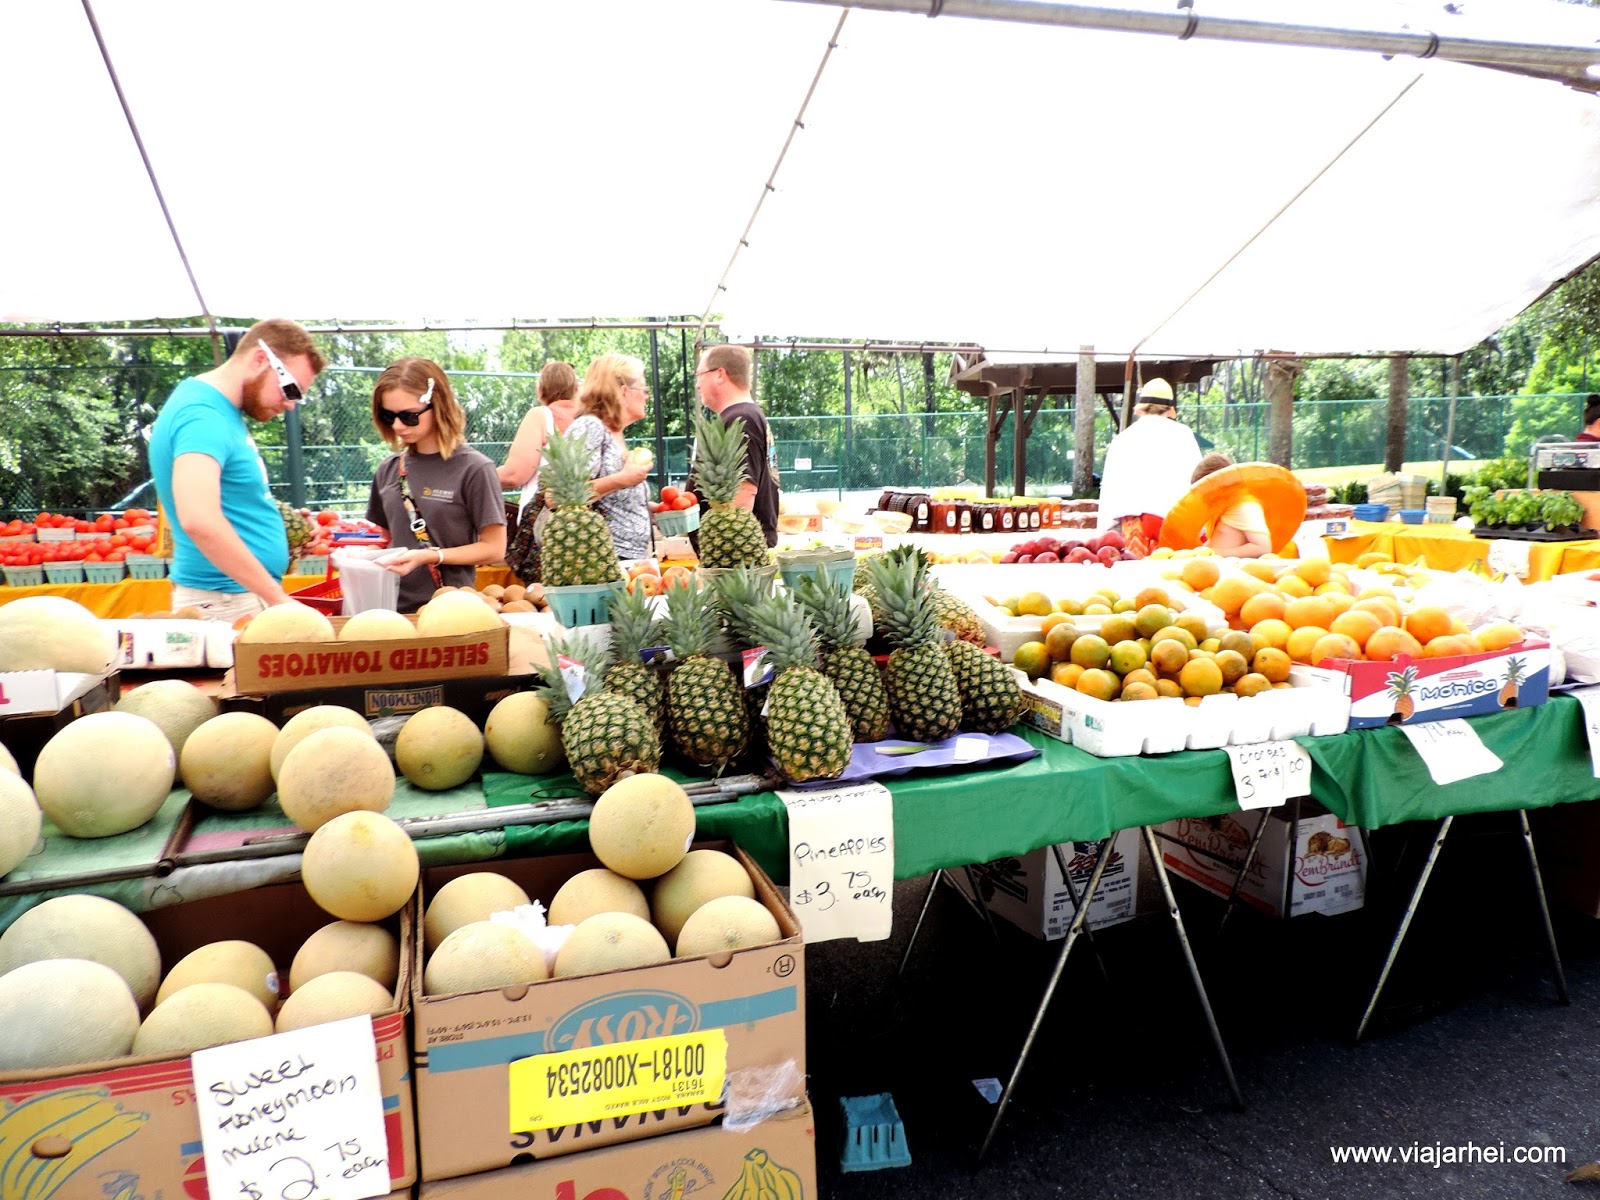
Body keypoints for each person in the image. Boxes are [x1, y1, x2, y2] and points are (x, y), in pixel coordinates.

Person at [149, 318, 326, 621]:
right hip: (225, 601)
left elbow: (224, 501)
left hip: (231, 597)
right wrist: (277, 599)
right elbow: (199, 519)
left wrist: (286, 527)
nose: (290, 405)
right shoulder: (203, 416)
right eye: (290, 389)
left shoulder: (217, 410)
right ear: (260, 359)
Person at [365, 357, 507, 612]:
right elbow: (386, 539)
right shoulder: (388, 469)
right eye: (388, 416)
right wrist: (357, 559)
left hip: (449, 610)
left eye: (409, 416)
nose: (397, 425)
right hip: (389, 611)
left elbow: (494, 548)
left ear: (438, 405)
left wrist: (433, 556)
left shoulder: (475, 468)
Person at [1094, 378, 1202, 557]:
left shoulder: (1123, 438)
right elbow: (1197, 481)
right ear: (1169, 409)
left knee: (1136, 570)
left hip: (1133, 523)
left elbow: (1110, 488)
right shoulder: (1184, 435)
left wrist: (1104, 531)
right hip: (1173, 520)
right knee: (1172, 571)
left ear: (1141, 408)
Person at [563, 353, 654, 563]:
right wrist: (623, 479)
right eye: (644, 389)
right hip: (600, 560)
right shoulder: (590, 427)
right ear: (624, 391)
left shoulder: (614, 433)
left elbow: (609, 500)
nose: (647, 396)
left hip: (626, 559)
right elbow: (565, 496)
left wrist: (648, 508)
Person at [689, 343, 779, 547]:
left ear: (720, 374)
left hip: (736, 552)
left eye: (700, 375)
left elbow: (743, 492)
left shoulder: (741, 419)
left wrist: (726, 550)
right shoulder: (745, 415)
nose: (697, 385)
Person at [500, 361, 582, 582]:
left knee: (543, 596)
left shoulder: (541, 416)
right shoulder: (590, 420)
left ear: (540, 390)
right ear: (576, 389)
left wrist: (476, 478)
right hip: (587, 530)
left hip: (546, 532)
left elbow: (515, 474)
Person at [1189, 452, 1274, 558]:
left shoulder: (1245, 506)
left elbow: (1263, 548)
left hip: (1235, 566)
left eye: (1206, 491)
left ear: (1221, 484)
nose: (1204, 498)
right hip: (1215, 564)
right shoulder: (1224, 506)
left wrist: (1216, 553)